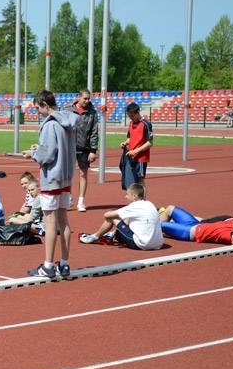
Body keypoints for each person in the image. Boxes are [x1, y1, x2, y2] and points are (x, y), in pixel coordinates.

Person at [21, 89, 77, 278]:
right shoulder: (68, 121)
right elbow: (58, 148)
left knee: (50, 221)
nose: (38, 112)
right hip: (66, 176)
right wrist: (41, 149)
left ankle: (48, 265)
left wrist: (34, 154)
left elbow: (47, 155)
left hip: (52, 177)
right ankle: (64, 263)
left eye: (38, 108)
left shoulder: (50, 124)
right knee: (64, 221)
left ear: (45, 104)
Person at [78, 183, 163, 250]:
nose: (125, 196)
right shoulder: (150, 204)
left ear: (134, 196)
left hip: (142, 245)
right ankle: (112, 234)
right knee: (128, 217)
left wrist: (117, 212)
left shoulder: (134, 206)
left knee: (113, 217)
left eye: (127, 194)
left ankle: (95, 237)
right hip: (158, 244)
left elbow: (107, 215)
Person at [159, 206, 233, 244]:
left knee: (158, 224)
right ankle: (157, 231)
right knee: (170, 208)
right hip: (195, 224)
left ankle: (151, 234)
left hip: (191, 232)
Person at [65, 89, 98, 212]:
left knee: (83, 174)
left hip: (85, 147)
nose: (87, 101)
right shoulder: (68, 110)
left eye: (89, 98)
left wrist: (93, 150)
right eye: (85, 98)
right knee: (68, 174)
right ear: (78, 97)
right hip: (69, 146)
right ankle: (68, 198)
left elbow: (94, 131)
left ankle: (81, 201)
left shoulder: (92, 113)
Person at [120, 102, 153, 189]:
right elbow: (130, 138)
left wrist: (135, 151)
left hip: (141, 158)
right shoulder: (131, 123)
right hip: (131, 156)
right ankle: (136, 201)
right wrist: (125, 143)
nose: (131, 118)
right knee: (131, 179)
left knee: (140, 180)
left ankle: (143, 201)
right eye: (129, 116)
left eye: (132, 116)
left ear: (138, 112)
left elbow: (150, 143)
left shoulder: (146, 124)